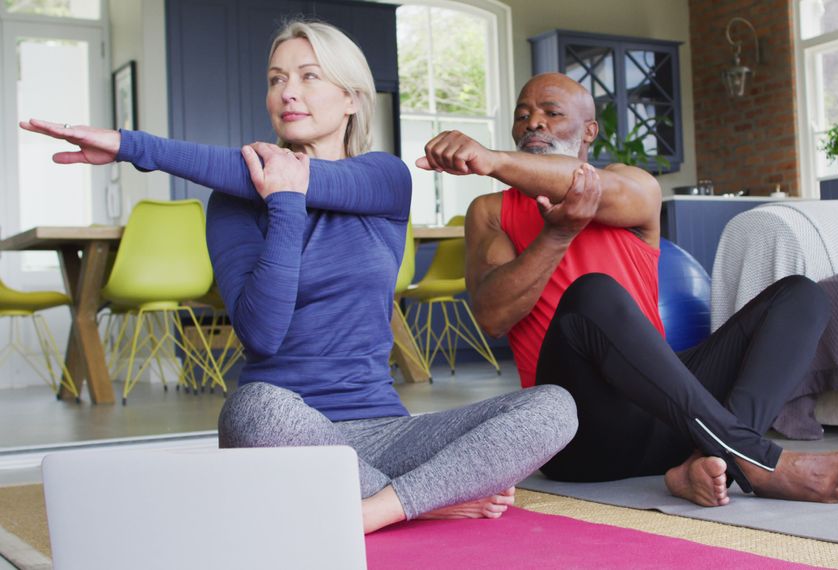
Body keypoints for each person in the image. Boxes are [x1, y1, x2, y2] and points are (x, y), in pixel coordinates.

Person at [20, 20, 576, 534]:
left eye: (310, 77)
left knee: (554, 406)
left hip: (387, 431)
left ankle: (374, 509)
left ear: (351, 98)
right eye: (277, 79)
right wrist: (283, 205)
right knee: (252, 406)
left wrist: (130, 146)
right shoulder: (234, 205)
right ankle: (426, 499)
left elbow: (300, 175)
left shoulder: (384, 178)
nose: (289, 91)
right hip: (290, 431)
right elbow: (262, 335)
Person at [417, 72, 838, 508]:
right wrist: (555, 237)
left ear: (588, 131)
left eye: (551, 112)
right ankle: (751, 456)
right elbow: (493, 317)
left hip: (673, 416)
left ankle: (711, 460)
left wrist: (492, 160)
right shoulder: (491, 210)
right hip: (575, 433)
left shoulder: (631, 186)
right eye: (522, 115)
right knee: (590, 296)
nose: (533, 122)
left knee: (801, 294)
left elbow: (588, 186)